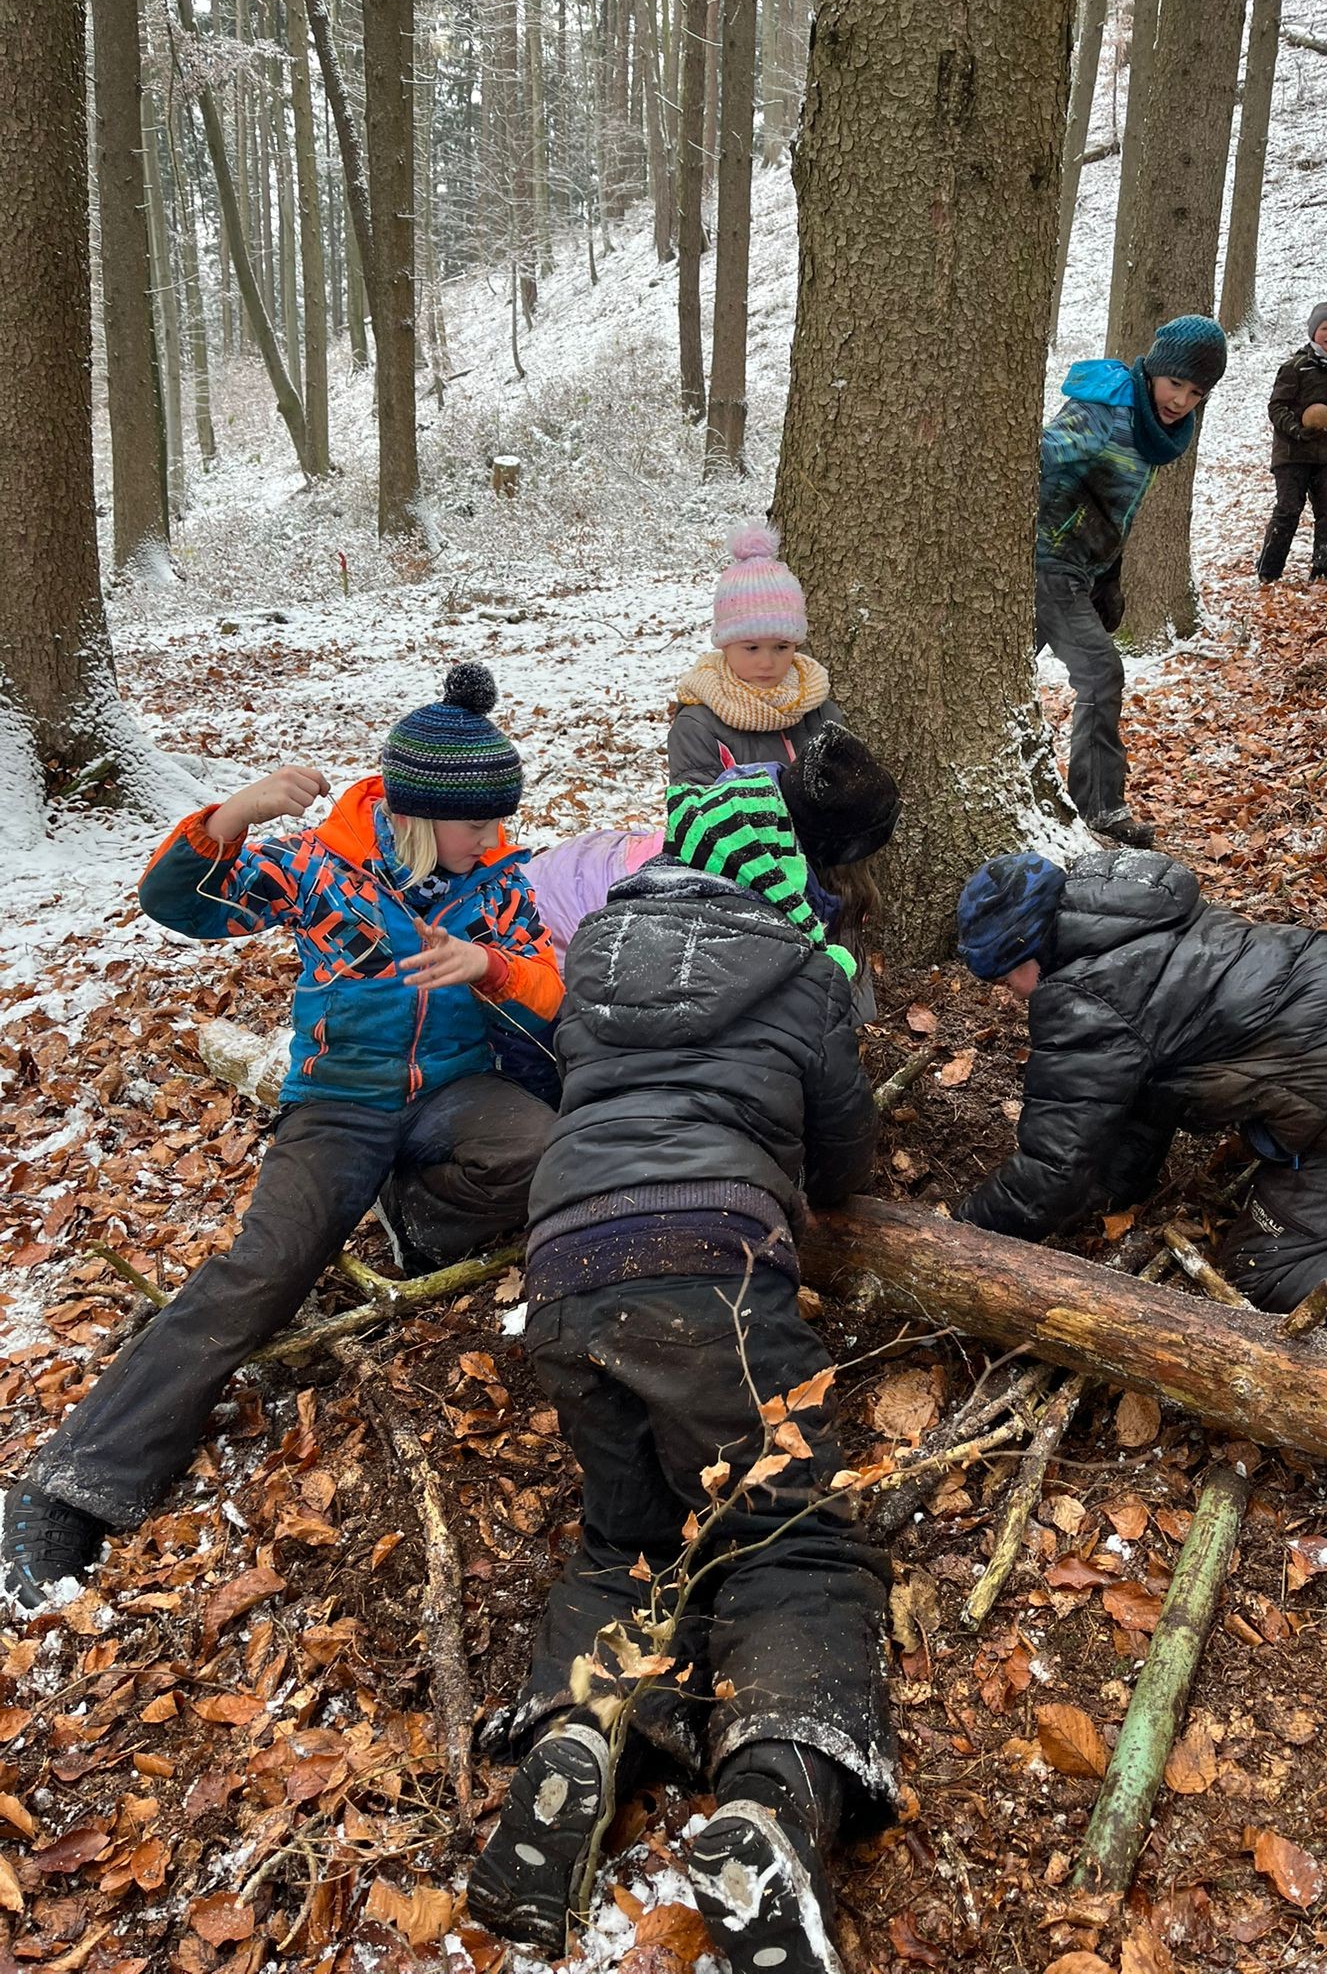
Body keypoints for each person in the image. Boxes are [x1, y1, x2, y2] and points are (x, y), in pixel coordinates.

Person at [3, 666, 561, 1606]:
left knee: (543, 1153)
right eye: (475, 824)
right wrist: (231, 818)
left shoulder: (499, 882)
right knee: (265, 1268)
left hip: (455, 1093)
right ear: (424, 816)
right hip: (338, 1101)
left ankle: (415, 1226)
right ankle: (75, 1484)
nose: (492, 838)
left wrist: (494, 969)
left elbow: (548, 991)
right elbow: (177, 905)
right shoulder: (321, 870)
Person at [467, 768, 897, 1974]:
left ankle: (579, 1732)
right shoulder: (807, 976)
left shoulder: (596, 951)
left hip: (561, 1264)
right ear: (777, 874)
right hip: (711, 1261)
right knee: (790, 1531)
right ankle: (774, 1796)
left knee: (630, 1535)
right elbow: (847, 1157)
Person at [952, 847, 1327, 1346]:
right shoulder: (1141, 925)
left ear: (1029, 952)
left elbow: (1051, 1166)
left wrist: (962, 1235)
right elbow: (1145, 1099)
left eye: (1006, 979)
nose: (1009, 996)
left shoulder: (1084, 997)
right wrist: (1112, 1192)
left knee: (1265, 1268)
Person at [527, 723, 899, 1013]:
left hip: (577, 873)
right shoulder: (762, 890)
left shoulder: (750, 817)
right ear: (837, 855)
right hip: (550, 929)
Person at [1035, 313, 1230, 849]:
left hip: (1078, 566)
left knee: (995, 673)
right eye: (1175, 384)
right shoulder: (1105, 411)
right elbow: (1032, 459)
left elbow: (1116, 508)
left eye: (1196, 392)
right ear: (1153, 372)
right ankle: (1100, 807)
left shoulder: (1151, 427)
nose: (1181, 401)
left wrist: (1109, 576)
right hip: (1046, 563)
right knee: (1101, 673)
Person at [669, 524, 844, 785]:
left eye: (781, 647)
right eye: (751, 648)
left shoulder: (819, 711)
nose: (767, 662)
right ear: (725, 644)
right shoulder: (698, 727)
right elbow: (699, 814)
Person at [1257, 301, 1327, 587]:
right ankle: (1269, 572)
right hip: (1292, 453)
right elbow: (1276, 408)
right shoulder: (1295, 367)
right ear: (1314, 331)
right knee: (1288, 510)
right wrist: (1298, 430)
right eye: (1325, 327)